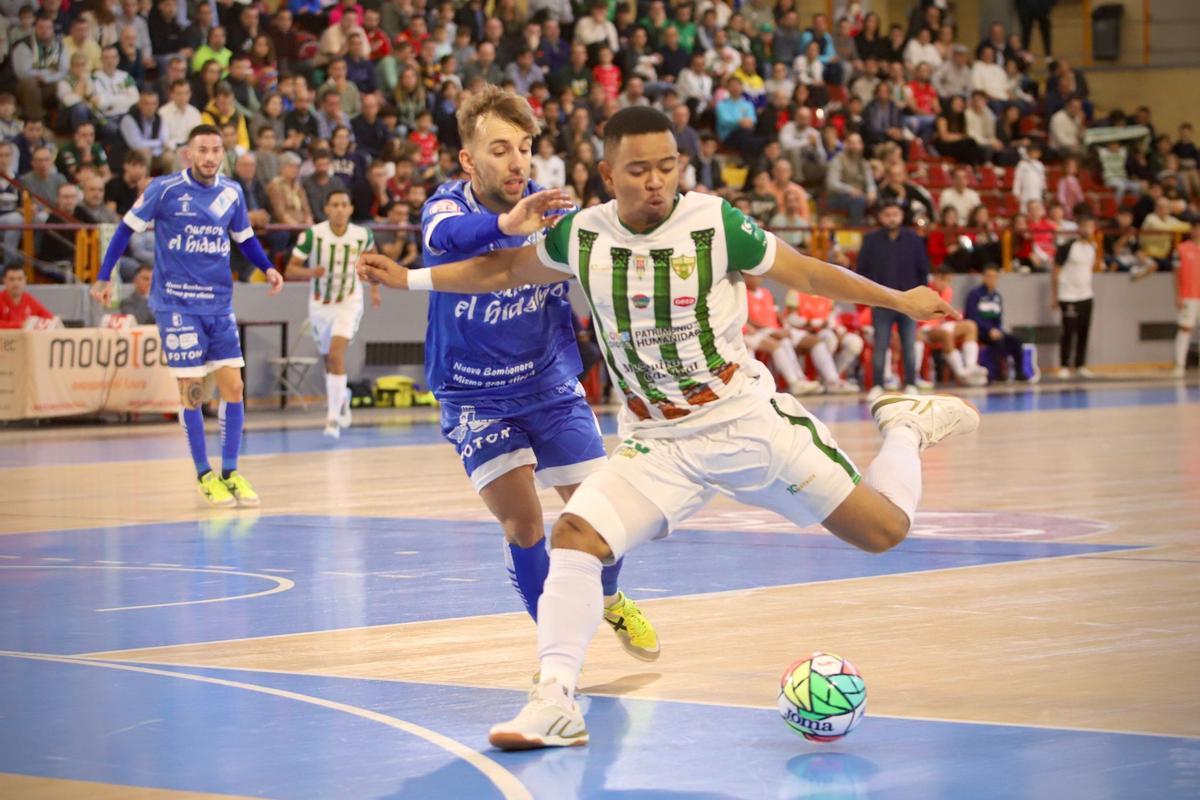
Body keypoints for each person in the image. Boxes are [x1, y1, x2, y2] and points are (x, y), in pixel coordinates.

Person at [355, 106, 978, 750]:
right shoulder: (583, 235)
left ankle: (906, 426)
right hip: (658, 442)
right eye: (638, 169)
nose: (656, 181)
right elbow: (505, 268)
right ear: (607, 173)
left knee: (883, 532)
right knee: (574, 535)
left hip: (746, 424)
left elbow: (808, 271)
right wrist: (411, 279)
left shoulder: (716, 222)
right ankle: (554, 700)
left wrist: (899, 299)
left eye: (666, 166)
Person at [406, 87, 659, 659]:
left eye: (523, 147)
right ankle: (557, 652)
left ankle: (612, 600)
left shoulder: (555, 216)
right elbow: (446, 240)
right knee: (525, 523)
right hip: (475, 397)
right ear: (469, 160)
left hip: (549, 386)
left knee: (603, 518)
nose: (517, 161)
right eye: (500, 149)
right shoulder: (446, 209)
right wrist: (506, 222)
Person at [90, 124, 285, 507]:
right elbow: (124, 230)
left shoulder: (232, 192)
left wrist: (269, 267)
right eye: (203, 150)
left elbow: (243, 238)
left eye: (216, 149)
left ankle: (230, 471)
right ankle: (203, 474)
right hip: (176, 304)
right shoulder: (165, 189)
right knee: (193, 390)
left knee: (234, 388)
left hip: (218, 303)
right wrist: (103, 275)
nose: (210, 156)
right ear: (188, 154)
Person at [285, 190, 381, 437]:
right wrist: (310, 273)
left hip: (349, 301)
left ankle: (332, 419)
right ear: (326, 209)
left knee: (337, 356)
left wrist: (375, 291)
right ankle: (342, 398)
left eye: (344, 204)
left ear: (350, 209)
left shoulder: (363, 235)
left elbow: (373, 264)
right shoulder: (312, 235)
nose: (339, 209)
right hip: (319, 305)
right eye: (334, 204)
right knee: (329, 359)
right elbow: (290, 269)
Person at [857, 200, 931, 399]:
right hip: (881, 301)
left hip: (909, 301)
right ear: (881, 217)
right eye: (887, 214)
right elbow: (861, 270)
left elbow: (923, 270)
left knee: (909, 344)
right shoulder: (871, 240)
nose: (891, 218)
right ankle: (878, 385)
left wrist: (920, 296)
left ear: (901, 216)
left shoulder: (914, 239)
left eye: (895, 214)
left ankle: (911, 383)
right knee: (880, 344)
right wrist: (869, 296)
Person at [965, 265, 1035, 383]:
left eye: (995, 277)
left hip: (995, 330)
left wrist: (997, 330)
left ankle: (1019, 372)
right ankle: (998, 373)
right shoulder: (975, 294)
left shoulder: (997, 296)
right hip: (980, 331)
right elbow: (972, 316)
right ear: (984, 277)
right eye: (989, 276)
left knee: (1016, 341)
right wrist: (989, 330)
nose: (992, 279)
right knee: (998, 342)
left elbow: (999, 318)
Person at [1051, 211, 1098, 379]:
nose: (1088, 230)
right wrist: (1054, 296)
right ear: (1079, 228)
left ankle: (1080, 365)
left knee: (1083, 331)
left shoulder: (1093, 248)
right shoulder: (1068, 246)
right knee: (1068, 331)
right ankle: (1064, 365)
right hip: (1068, 294)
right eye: (1085, 227)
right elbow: (1055, 271)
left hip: (1086, 294)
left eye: (1091, 227)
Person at [1173, 221, 1200, 377]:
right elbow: (1175, 274)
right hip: (1188, 295)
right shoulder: (1182, 248)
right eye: (1195, 228)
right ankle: (1179, 365)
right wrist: (1178, 294)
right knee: (1185, 329)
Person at [0, 263, 57, 327]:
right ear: (4, 280)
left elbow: (50, 318)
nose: (16, 283)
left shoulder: (29, 300)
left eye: (20, 279)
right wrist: (20, 325)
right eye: (12, 279)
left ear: (25, 280)